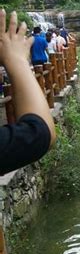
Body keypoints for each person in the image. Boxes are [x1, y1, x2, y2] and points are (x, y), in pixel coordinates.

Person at [0, 10, 56, 175]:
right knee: (41, 80)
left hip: (36, 60)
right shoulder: (42, 41)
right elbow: (39, 133)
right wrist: (15, 59)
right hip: (40, 61)